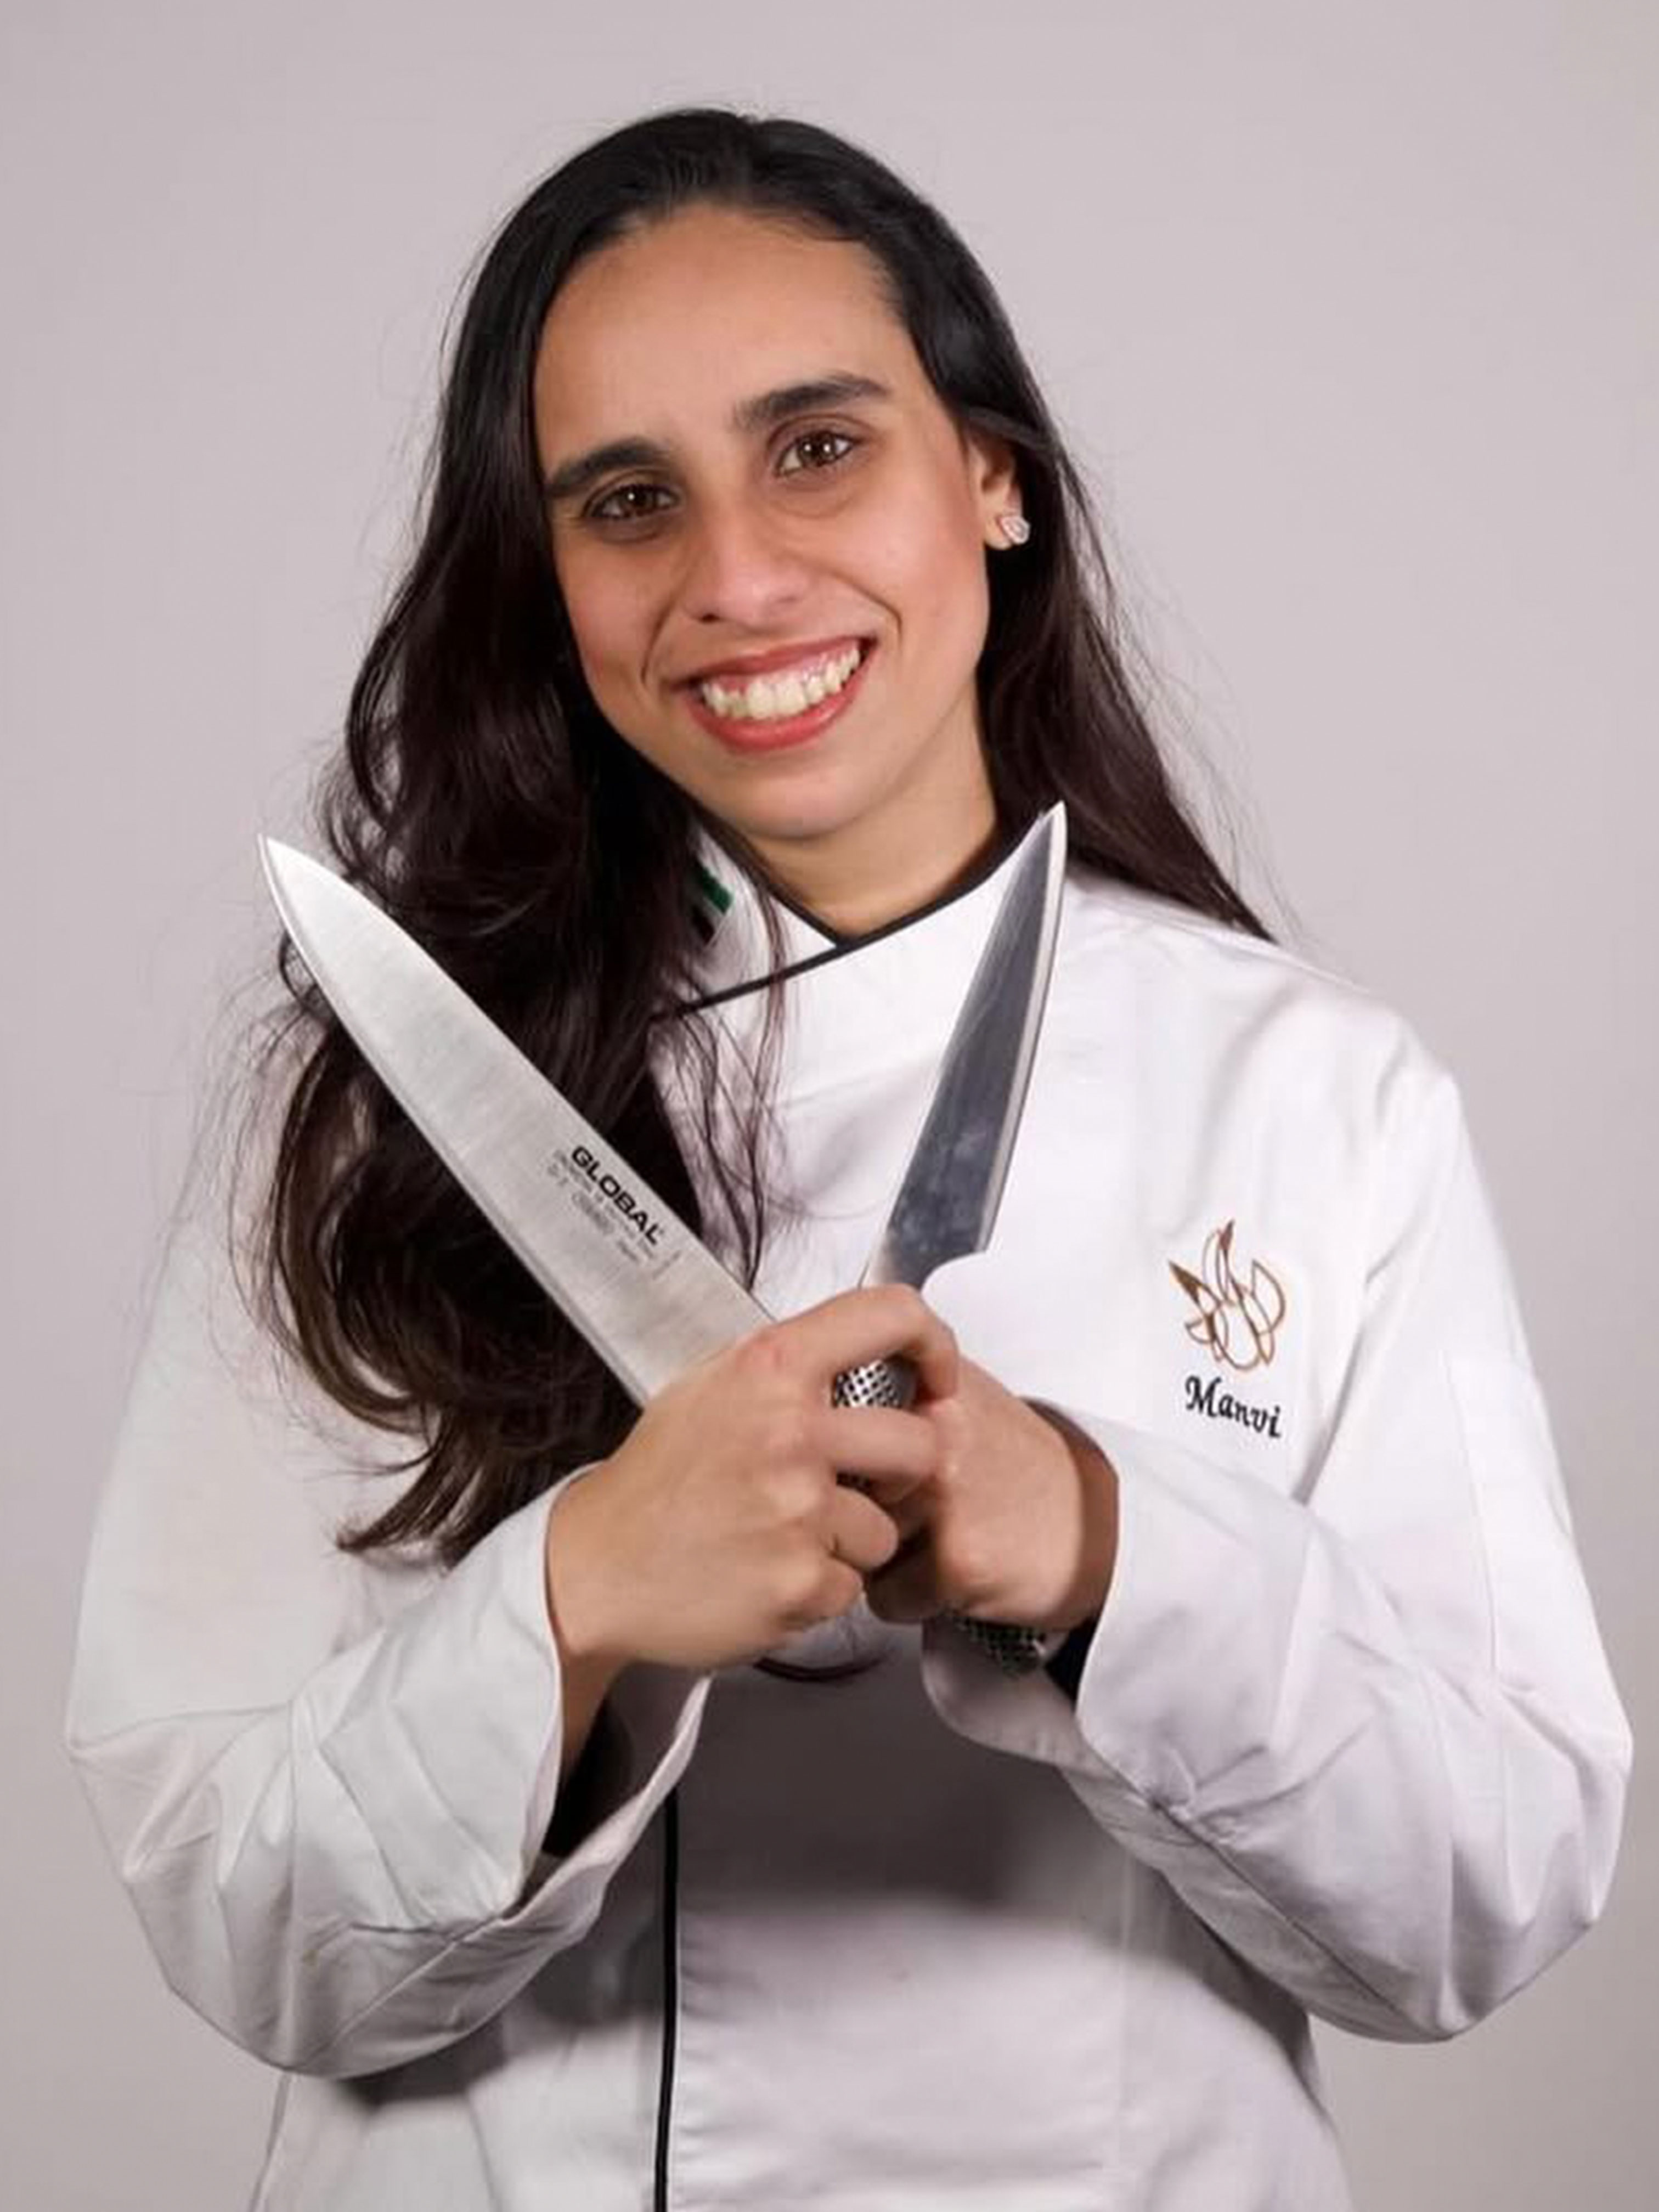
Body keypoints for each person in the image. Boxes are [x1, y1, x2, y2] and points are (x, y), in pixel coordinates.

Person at [67, 107, 1629, 2211]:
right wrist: (585, 1597)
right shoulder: (377, 1102)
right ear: (548, 583)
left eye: (818, 447)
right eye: (631, 501)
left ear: (989, 478)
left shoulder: (1315, 1097)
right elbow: (234, 1924)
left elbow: (1491, 1900)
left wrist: (1097, 1551)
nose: (733, 577)